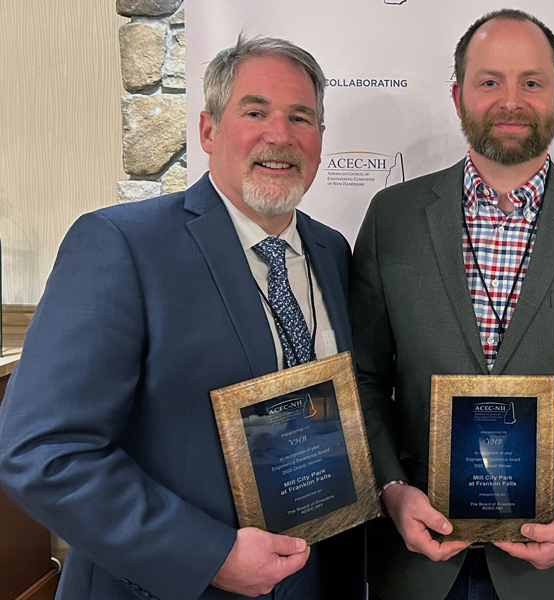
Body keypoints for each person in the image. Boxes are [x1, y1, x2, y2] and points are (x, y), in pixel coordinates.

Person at [0, 36, 363, 600]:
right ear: (209, 129)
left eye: (302, 117)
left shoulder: (333, 251)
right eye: (255, 111)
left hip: (313, 577)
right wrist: (209, 556)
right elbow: (43, 451)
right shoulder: (121, 244)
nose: (280, 135)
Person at [351, 9, 554, 600]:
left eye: (531, 82)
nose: (510, 100)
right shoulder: (394, 218)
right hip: (417, 562)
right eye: (489, 81)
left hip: (550, 570)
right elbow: (362, 380)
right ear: (458, 93)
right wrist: (388, 488)